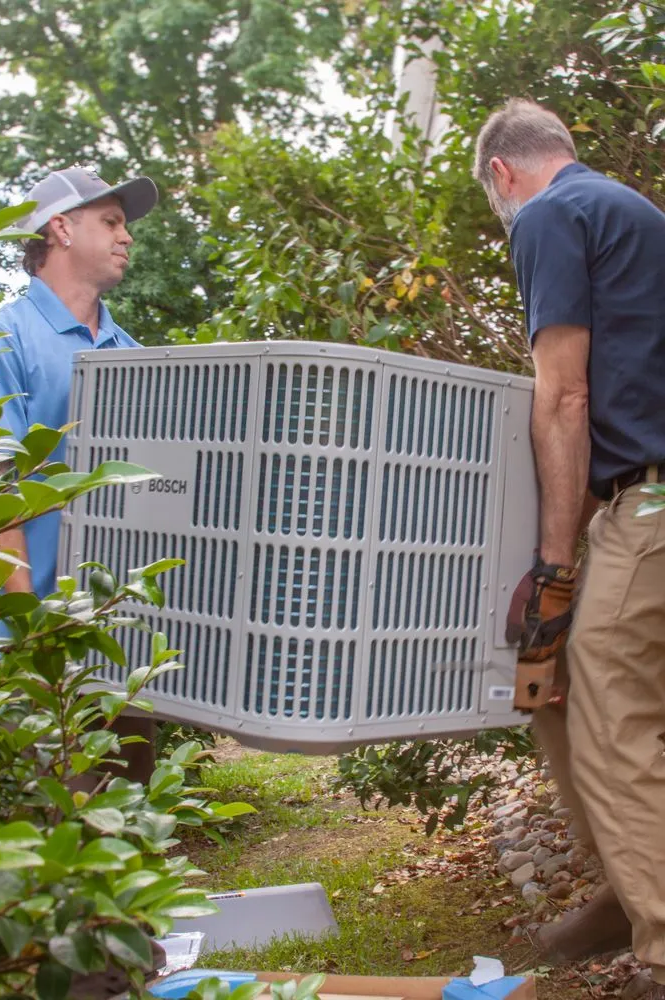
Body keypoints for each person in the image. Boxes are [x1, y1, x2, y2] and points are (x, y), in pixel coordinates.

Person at [473, 99, 665, 997]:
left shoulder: (550, 215)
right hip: (642, 500)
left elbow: (564, 399)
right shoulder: (634, 212)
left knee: (611, 706)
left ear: (504, 175)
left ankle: (659, 937)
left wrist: (555, 567)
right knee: (554, 682)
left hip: (652, 500)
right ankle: (625, 887)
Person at [0, 166, 160, 784]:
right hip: (28, 643)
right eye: (111, 222)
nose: (126, 237)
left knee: (126, 827)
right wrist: (31, 632)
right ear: (60, 228)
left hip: (115, 645)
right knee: (44, 834)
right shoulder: (1, 338)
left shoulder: (132, 355)